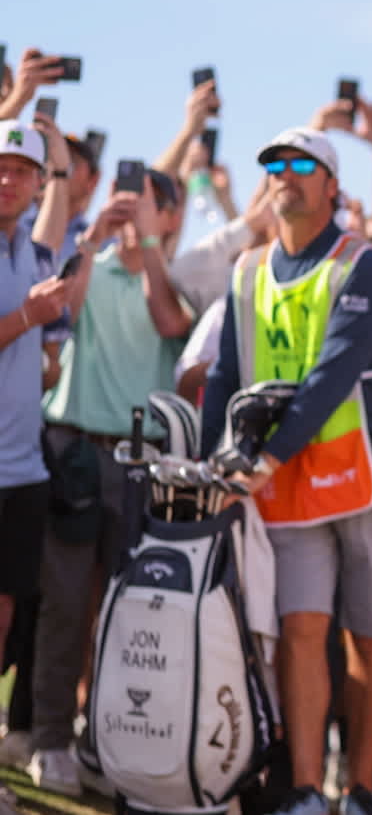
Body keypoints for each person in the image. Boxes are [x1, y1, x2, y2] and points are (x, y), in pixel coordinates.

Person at [202, 127, 372, 815]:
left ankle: (358, 789)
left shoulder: (367, 266)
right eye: (272, 162)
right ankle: (302, 790)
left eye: (304, 164)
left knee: (369, 635)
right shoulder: (246, 269)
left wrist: (262, 461)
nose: (285, 174)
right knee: (301, 630)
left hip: (371, 473)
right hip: (288, 478)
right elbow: (224, 374)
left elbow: (335, 374)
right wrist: (216, 465)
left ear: (333, 187)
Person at [30, 164, 189, 798]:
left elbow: (171, 322)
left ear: (172, 215)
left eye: (152, 203)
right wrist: (92, 237)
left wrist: (147, 244)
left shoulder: (174, 274)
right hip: (76, 450)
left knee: (128, 610)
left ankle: (107, 737)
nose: (135, 209)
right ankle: (50, 739)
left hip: (141, 458)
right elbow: (60, 307)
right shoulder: (89, 259)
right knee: (66, 602)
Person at [0, 119, 70, 699]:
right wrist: (27, 318)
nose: (7, 179)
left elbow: (58, 232)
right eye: (0, 166)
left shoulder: (31, 251)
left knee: (3, 617)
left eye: (21, 171)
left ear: (38, 183)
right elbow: (30, 317)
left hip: (22, 468)